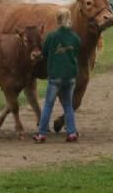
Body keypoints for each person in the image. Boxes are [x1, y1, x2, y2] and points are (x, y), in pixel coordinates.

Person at [33, 9, 81, 143]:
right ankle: (71, 133)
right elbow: (76, 53)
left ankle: (42, 134)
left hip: (55, 75)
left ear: (58, 19)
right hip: (70, 76)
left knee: (48, 105)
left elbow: (45, 53)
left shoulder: (52, 36)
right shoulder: (75, 37)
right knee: (68, 106)